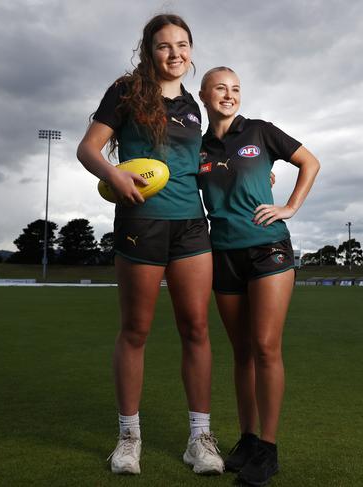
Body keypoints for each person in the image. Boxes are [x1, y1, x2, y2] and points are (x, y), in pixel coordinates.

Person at [76, 15, 224, 475]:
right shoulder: (126, 92)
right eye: (164, 46)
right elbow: (88, 149)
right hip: (141, 221)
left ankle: (199, 439)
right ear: (149, 50)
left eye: (183, 45)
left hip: (191, 227)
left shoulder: (196, 109)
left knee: (197, 329)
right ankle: (128, 438)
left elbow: (198, 162)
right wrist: (113, 174)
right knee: (135, 330)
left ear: (192, 51)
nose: (175, 53)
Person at [197, 66, 320, 486]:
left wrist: (288, 206)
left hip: (268, 249)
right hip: (223, 254)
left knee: (266, 347)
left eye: (235, 89)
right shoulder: (198, 150)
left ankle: (268, 449)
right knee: (242, 351)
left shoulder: (261, 131)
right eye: (220, 89)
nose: (229, 95)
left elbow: (309, 162)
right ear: (203, 94)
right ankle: (247, 440)